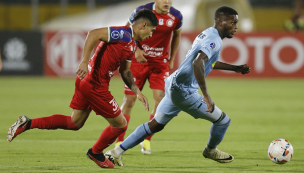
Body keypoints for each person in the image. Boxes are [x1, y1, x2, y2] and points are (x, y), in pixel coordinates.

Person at [7, 9, 158, 169]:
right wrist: (84, 61)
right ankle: (96, 152)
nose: (151, 35)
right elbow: (93, 34)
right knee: (120, 125)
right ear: (143, 25)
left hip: (86, 82)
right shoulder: (123, 33)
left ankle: (27, 123)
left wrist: (138, 92)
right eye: (152, 30)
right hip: (94, 84)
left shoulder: (131, 45)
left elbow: (125, 71)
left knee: (74, 123)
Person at [105, 6, 250, 166]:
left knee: (154, 125)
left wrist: (235, 68)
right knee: (223, 121)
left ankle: (115, 152)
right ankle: (210, 150)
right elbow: (197, 63)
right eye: (233, 23)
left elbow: (207, 61)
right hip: (185, 91)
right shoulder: (213, 40)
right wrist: (206, 96)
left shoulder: (208, 33)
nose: (236, 26)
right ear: (221, 21)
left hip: (174, 85)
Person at [116, 0, 183, 155]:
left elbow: (177, 36)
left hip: (160, 65)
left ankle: (146, 140)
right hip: (138, 62)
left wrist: (172, 59)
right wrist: (137, 49)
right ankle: (119, 140)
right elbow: (127, 28)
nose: (167, 2)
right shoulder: (142, 10)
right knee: (129, 101)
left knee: (160, 104)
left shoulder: (177, 16)